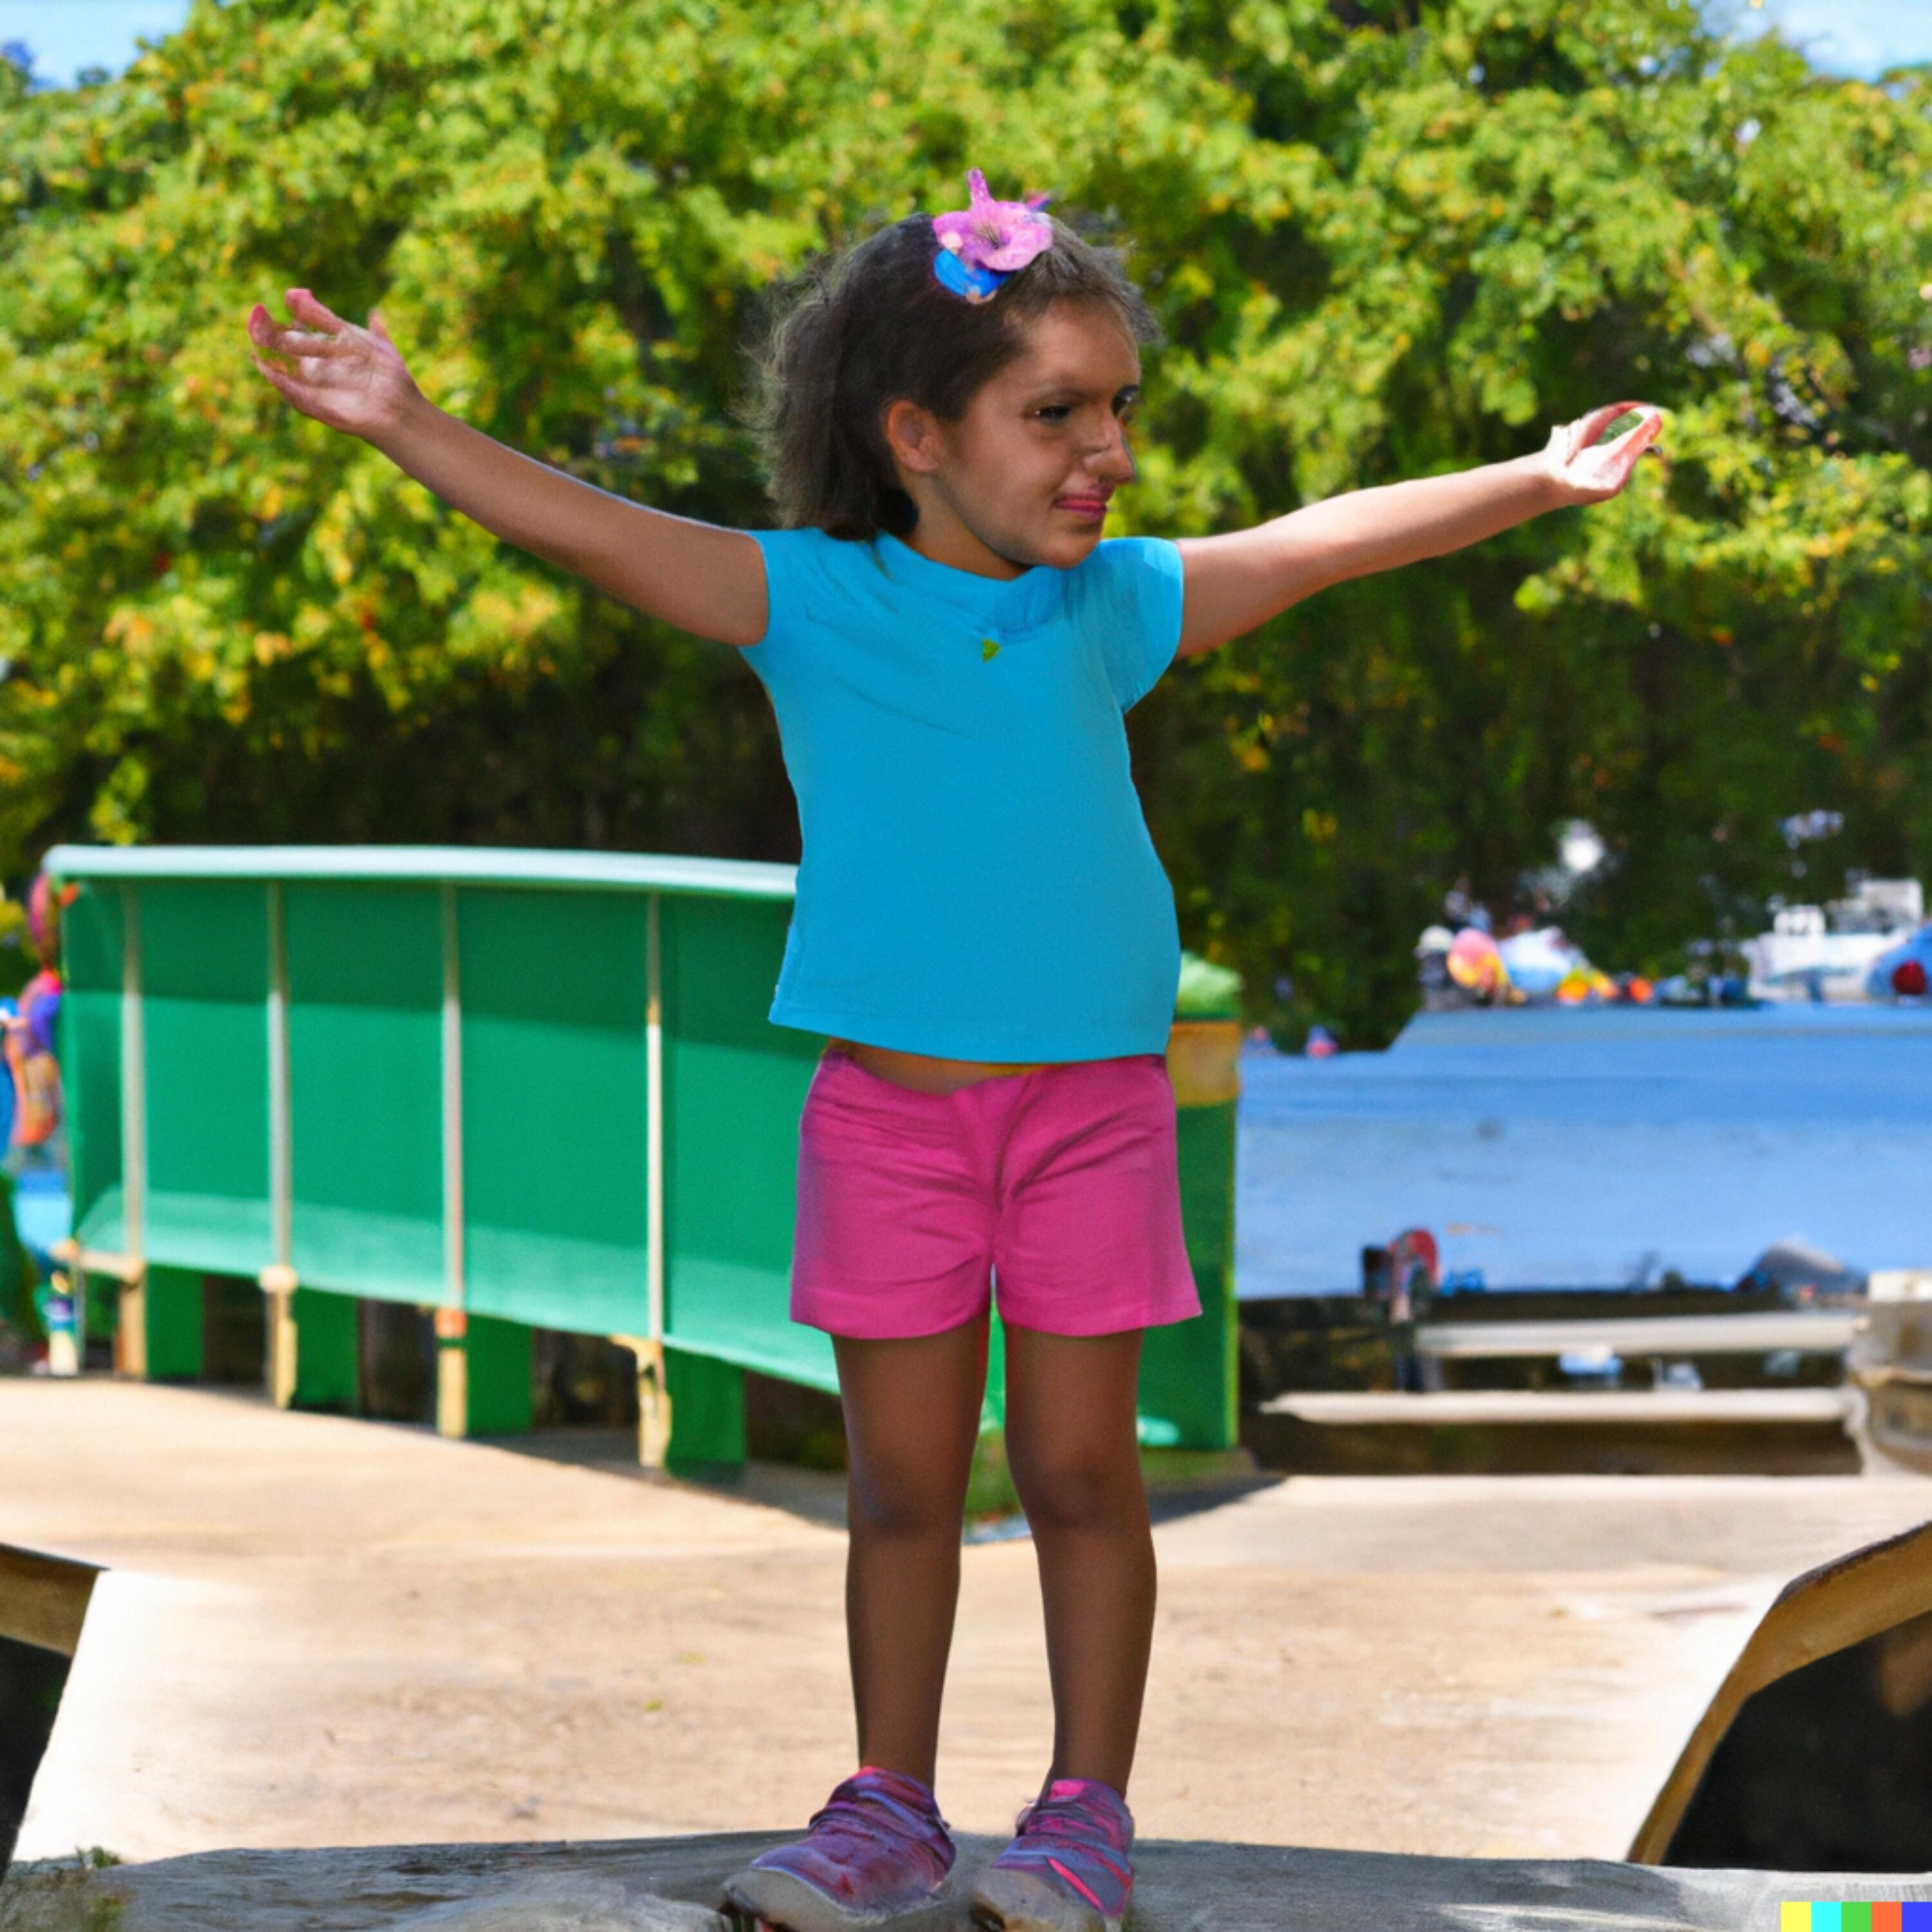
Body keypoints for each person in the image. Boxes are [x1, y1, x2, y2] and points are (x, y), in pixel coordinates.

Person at [245, 167, 1662, 1932]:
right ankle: (889, 1811)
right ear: (915, 434)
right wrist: (404, 419)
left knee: (1082, 1476)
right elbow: (590, 526)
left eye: (1120, 409)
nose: (1107, 451)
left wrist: (1536, 477)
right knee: (902, 1492)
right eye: (1055, 413)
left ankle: (1084, 1816)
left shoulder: (1115, 605)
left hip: (1091, 1122)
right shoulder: (808, 601)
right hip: (890, 1128)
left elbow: (1324, 538)